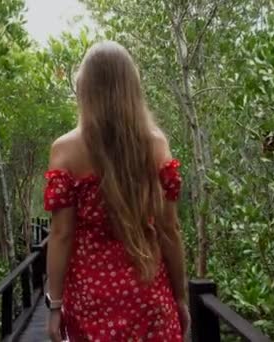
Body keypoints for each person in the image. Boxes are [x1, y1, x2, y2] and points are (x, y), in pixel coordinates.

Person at [43, 41, 189, 342]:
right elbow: (169, 230)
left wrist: (54, 305)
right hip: (148, 296)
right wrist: (181, 297)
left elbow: (61, 234)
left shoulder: (65, 150)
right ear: (132, 86)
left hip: (90, 302)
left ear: (84, 88)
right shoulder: (156, 144)